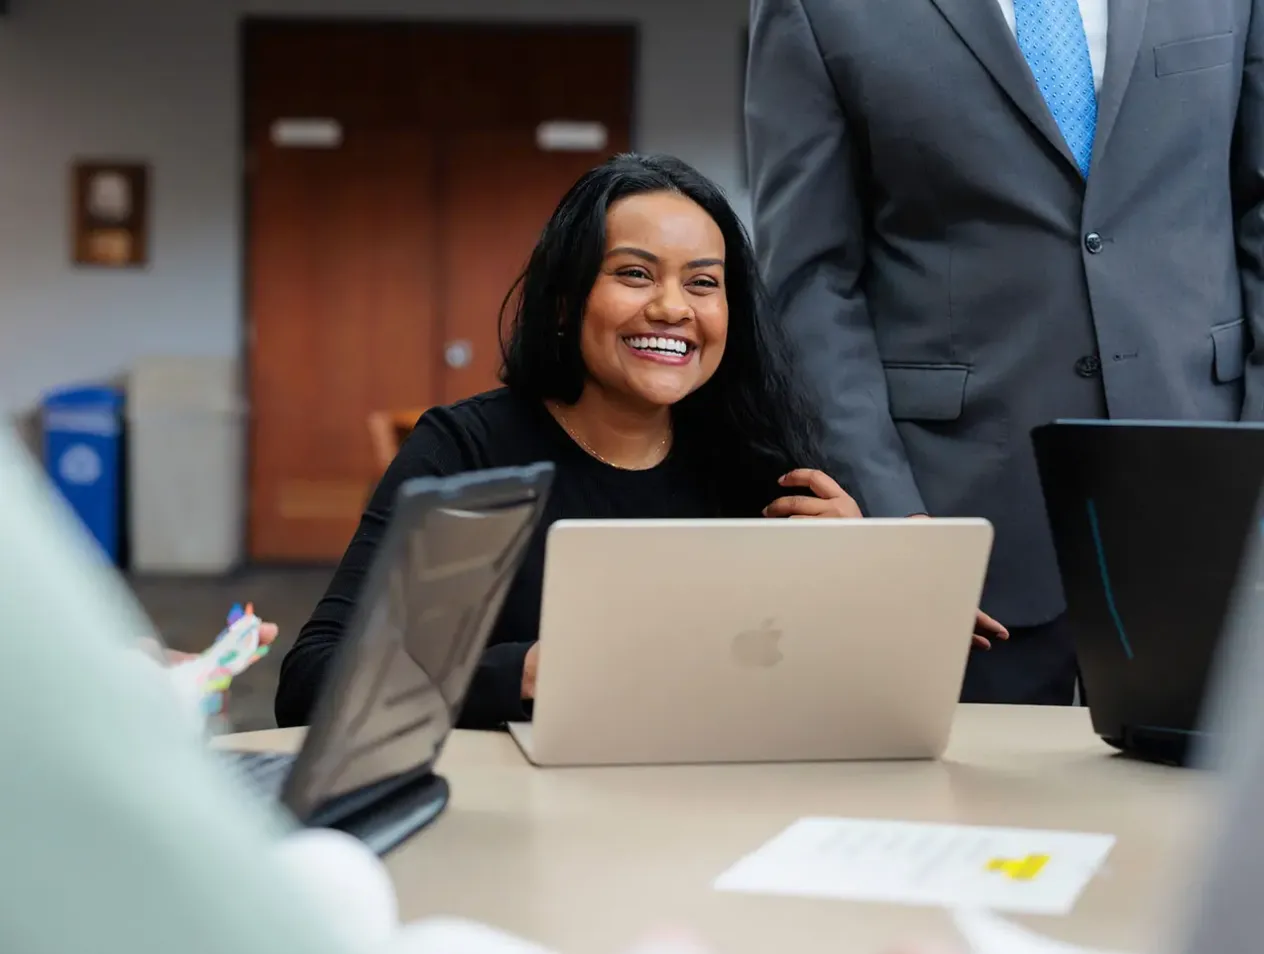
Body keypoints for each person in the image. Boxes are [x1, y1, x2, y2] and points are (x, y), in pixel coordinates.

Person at [275, 153, 1007, 731]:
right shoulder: (467, 451)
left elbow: (822, 699)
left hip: (714, 809)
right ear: (564, 303)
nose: (671, 308)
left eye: (703, 283)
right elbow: (313, 680)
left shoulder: (764, 469)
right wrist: (526, 672)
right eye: (633, 274)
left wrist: (868, 590)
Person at [745, 0, 1264, 706]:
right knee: (967, 808)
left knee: (1198, 806)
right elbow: (809, 282)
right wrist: (894, 524)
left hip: (1208, 492)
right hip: (954, 522)